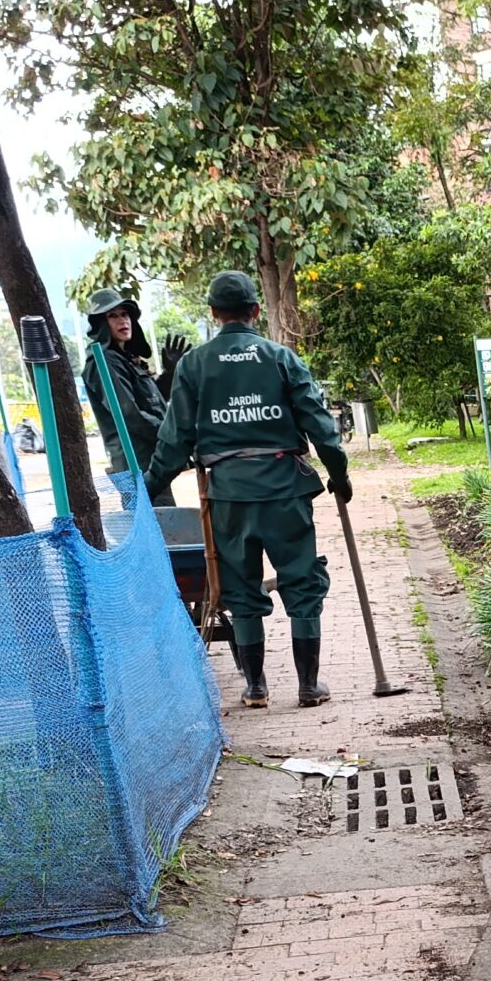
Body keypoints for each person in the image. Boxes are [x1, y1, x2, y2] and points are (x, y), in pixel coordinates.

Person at [146, 272, 351, 710]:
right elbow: (319, 424)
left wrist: (147, 489)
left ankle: (256, 688)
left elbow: (174, 438)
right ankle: (308, 687)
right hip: (284, 490)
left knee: (239, 588)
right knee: (301, 581)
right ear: (256, 311)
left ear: (214, 314)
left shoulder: (194, 364)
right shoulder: (281, 357)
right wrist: (339, 473)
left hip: (228, 496)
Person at [81, 287, 185, 509]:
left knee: (165, 526)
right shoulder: (103, 362)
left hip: (150, 461)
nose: (122, 320)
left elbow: (150, 402)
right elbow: (129, 413)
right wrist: (173, 437)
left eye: (125, 314)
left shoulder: (125, 359)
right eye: (113, 315)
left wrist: (169, 375)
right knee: (159, 529)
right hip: (135, 465)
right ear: (101, 323)